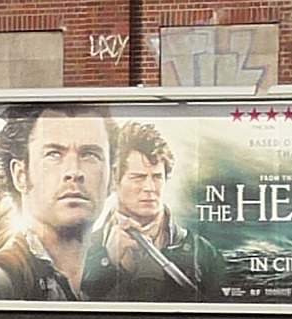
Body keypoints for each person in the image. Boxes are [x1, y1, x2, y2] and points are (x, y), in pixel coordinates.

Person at [0, 107, 114, 301]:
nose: (74, 171)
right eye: (53, 154)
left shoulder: (91, 291)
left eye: (90, 154)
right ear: (20, 175)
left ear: (112, 178)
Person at [80, 122, 222, 300]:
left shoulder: (203, 253)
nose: (149, 187)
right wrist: (107, 261)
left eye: (157, 177)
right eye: (138, 177)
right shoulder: (82, 251)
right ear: (114, 180)